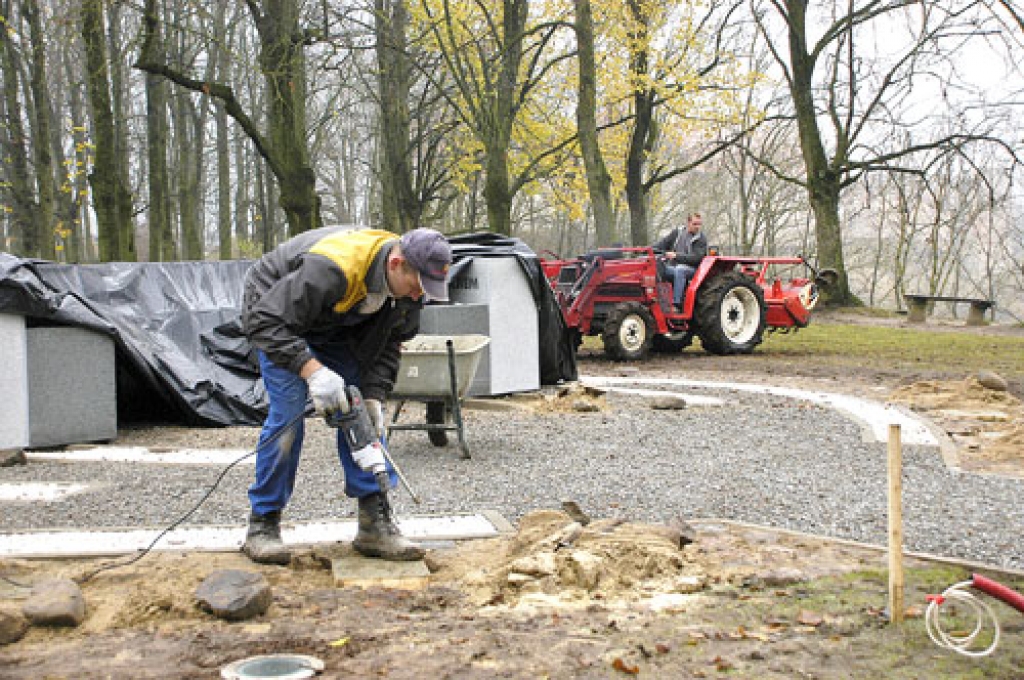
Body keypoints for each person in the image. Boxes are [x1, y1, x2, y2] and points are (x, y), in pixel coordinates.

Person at [240, 226, 452, 565]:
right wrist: (312, 371)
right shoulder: (333, 267)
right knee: (289, 415)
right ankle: (263, 524)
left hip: (337, 321)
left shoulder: (409, 293)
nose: (418, 297)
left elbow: (387, 347)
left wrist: (373, 397)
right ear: (396, 263)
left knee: (358, 413)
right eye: (416, 286)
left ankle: (374, 524)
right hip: (277, 312)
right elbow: (264, 322)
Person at [652, 212, 708, 311]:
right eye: (695, 224)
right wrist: (647, 250)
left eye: (699, 224)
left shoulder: (701, 239)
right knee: (658, 266)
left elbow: (696, 259)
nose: (697, 227)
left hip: (693, 270)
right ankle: (657, 300)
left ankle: (676, 304)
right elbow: (661, 245)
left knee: (680, 270)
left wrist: (676, 256)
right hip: (673, 267)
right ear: (688, 223)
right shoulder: (677, 233)